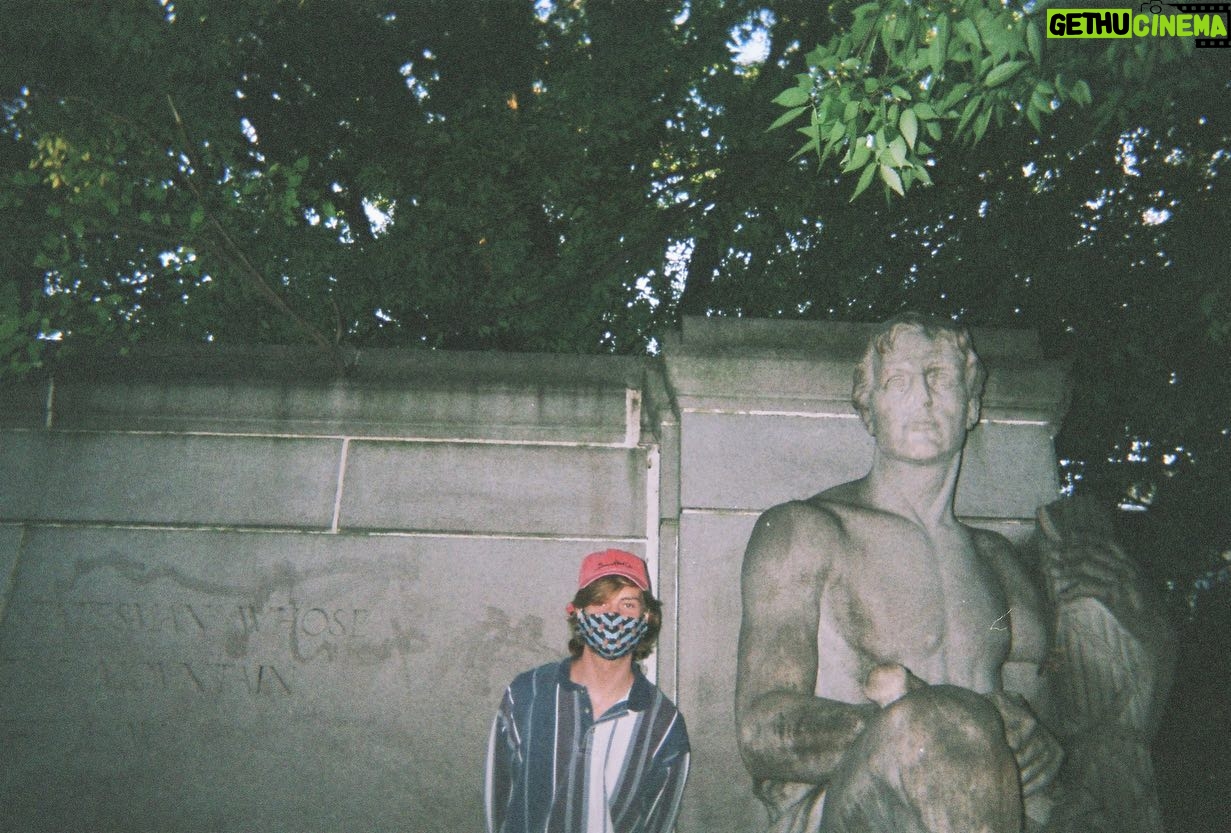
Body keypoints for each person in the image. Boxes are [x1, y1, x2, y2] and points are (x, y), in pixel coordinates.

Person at [734, 313, 1073, 833]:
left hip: (1009, 810)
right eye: (898, 381)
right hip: (849, 804)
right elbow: (761, 730)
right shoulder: (806, 531)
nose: (924, 397)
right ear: (868, 409)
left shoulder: (996, 560)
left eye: (941, 378)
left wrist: (1040, 742)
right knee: (941, 725)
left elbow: (1037, 709)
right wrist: (921, 727)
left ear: (972, 406)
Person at [485, 549, 690, 833]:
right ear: (578, 612)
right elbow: (498, 805)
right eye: (600, 601)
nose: (613, 615)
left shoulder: (665, 724)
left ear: (647, 618)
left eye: (628, 604)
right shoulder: (526, 695)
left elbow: (659, 825)